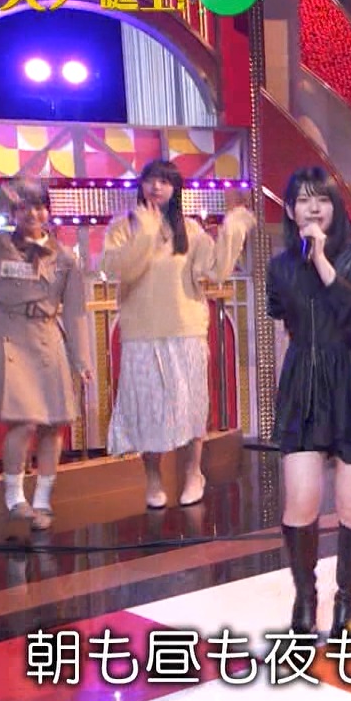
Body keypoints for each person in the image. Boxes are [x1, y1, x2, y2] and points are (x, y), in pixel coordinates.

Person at [266, 166, 351, 639]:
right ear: (290, 211)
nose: (313, 208)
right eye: (303, 200)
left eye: (321, 199)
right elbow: (284, 319)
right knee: (300, 504)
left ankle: (347, 597)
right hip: (305, 386)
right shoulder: (281, 266)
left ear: (335, 207)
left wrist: (324, 263)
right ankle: (305, 596)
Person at [101, 159, 255, 509]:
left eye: (165, 181)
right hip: (141, 334)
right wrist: (145, 233)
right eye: (150, 180)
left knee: (189, 408)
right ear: (141, 185)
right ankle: (153, 478)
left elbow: (215, 270)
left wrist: (233, 226)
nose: (156, 187)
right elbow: (118, 268)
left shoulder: (189, 229)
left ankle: (192, 473)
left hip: (184, 331)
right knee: (147, 410)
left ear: (175, 189)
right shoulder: (123, 227)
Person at [0, 179, 93, 530]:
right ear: (13, 212)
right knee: (24, 421)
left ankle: (43, 501)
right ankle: (14, 498)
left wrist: (81, 359)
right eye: (24, 207)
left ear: (48, 212)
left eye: (39, 206)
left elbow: (75, 312)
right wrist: (1, 193)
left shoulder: (64, 258)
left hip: (47, 339)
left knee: (52, 424)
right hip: (9, 335)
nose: (33, 214)